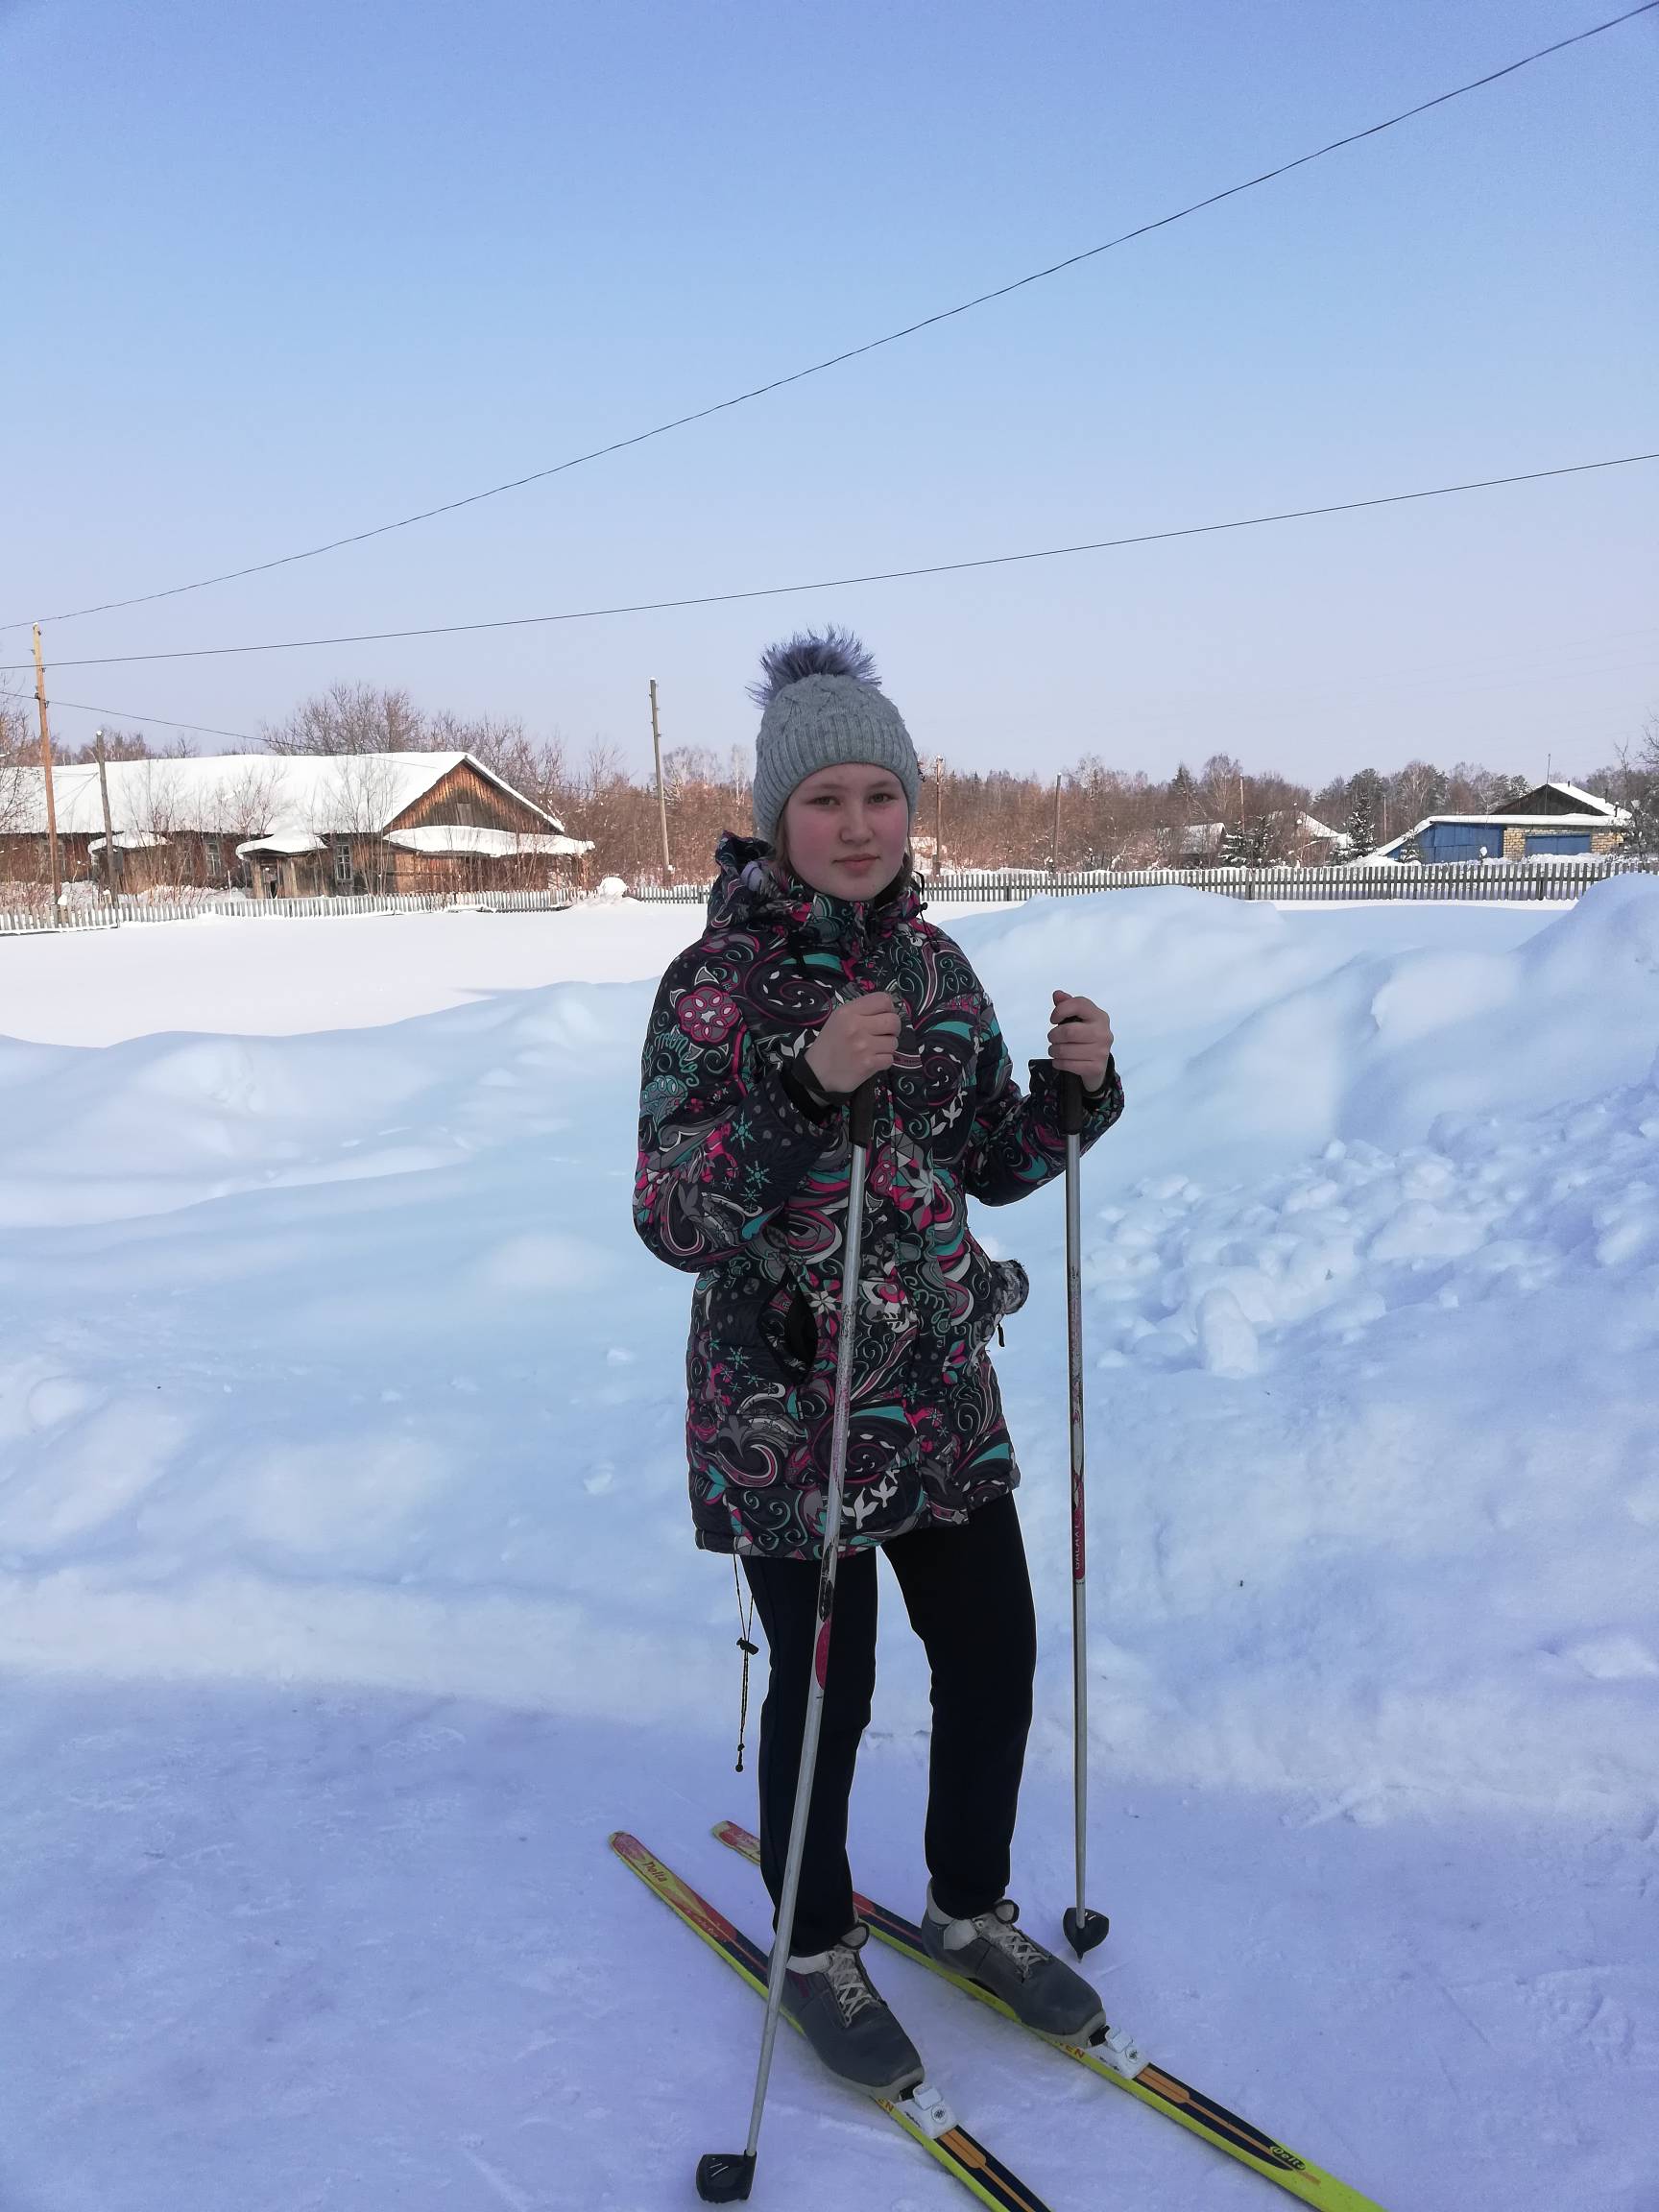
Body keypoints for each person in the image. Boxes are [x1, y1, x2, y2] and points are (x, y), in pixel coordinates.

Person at [633, 629, 1123, 2100]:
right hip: (787, 1410)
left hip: (938, 1392)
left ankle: (969, 1907)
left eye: (880, 796)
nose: (857, 825)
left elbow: (991, 1159)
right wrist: (805, 1086)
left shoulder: (938, 969)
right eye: (825, 799)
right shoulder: (714, 986)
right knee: (830, 1685)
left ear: (910, 806)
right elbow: (674, 1215)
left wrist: (1077, 1096)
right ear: (775, 816)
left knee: (995, 1656)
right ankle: (812, 1941)